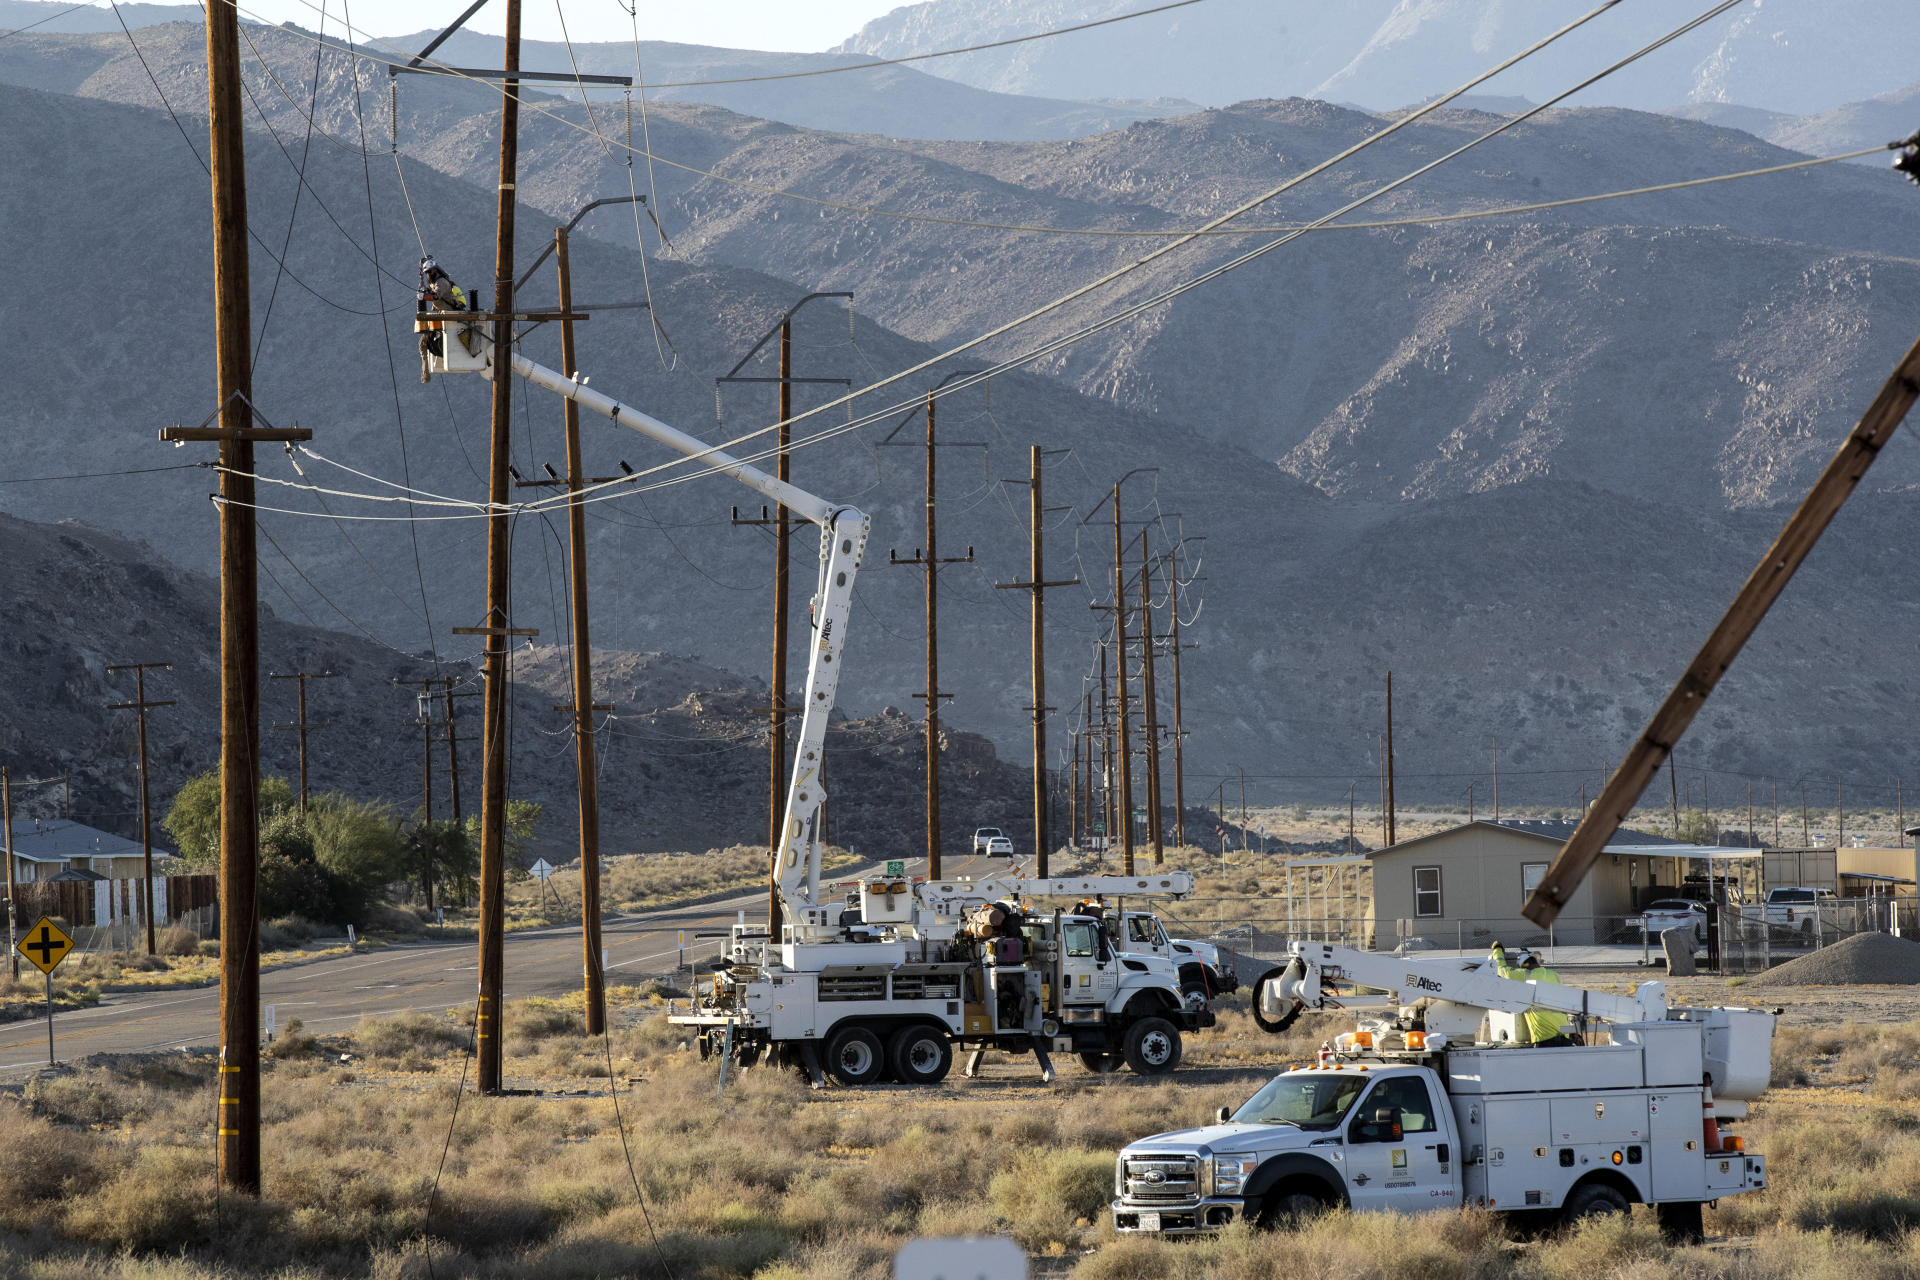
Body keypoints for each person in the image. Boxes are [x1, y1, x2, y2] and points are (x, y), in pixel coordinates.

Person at [1489, 941, 1574, 1046]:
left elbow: (1502, 971)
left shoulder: (1526, 975)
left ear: (1524, 966)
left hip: (1544, 1038)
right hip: (1564, 1036)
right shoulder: (1554, 976)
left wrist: (1497, 950)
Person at [416, 256, 469, 383]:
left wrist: (424, 296)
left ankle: (430, 370)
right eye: (427, 273)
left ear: (435, 271)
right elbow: (435, 298)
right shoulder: (436, 283)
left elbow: (436, 297)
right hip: (442, 317)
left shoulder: (442, 283)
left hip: (449, 317)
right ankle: (425, 374)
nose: (429, 274)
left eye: (429, 272)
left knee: (440, 341)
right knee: (423, 343)